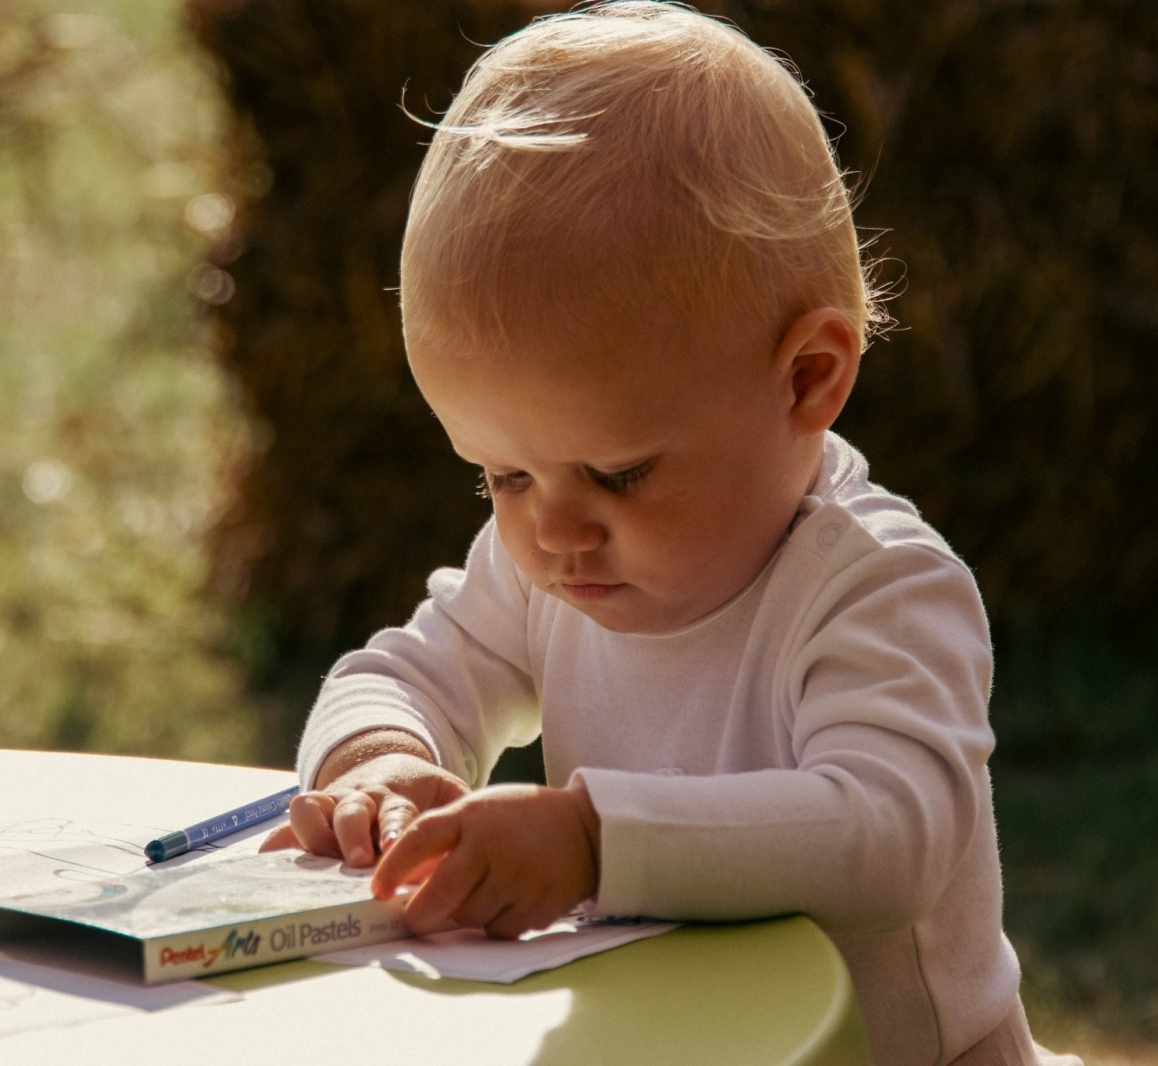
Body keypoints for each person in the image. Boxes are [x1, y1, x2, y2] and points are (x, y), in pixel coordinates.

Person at [262, 4, 1077, 1064]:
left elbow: (889, 833)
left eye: (617, 473)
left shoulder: (874, 588)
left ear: (806, 379)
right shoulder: (551, 565)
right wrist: (381, 760)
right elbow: (400, 671)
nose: (552, 529)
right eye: (501, 473)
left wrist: (596, 841)